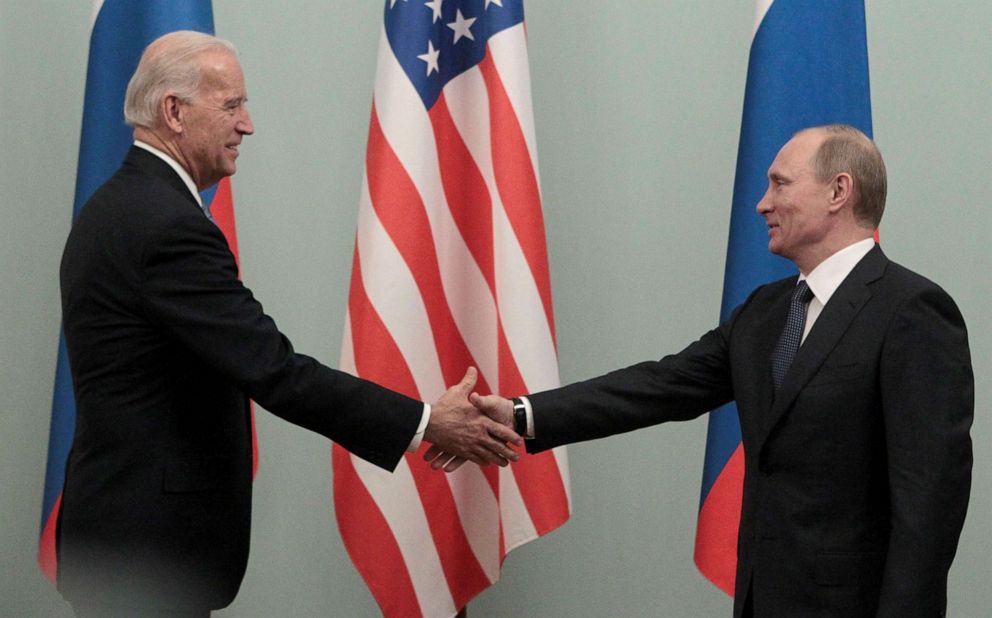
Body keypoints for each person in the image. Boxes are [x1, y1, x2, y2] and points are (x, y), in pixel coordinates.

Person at [57, 30, 521, 617]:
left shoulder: (119, 207)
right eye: (231, 106)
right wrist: (425, 421)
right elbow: (274, 370)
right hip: (147, 556)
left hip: (126, 543)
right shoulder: (164, 228)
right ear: (173, 111)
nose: (246, 125)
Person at [452, 125, 974, 617]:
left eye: (779, 184)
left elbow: (929, 505)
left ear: (839, 191)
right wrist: (522, 413)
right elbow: (661, 386)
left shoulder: (911, 311)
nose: (762, 203)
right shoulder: (766, 312)